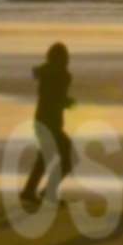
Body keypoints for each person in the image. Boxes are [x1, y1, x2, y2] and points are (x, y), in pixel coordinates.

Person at [18, 42, 78, 211]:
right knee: (65, 157)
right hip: (50, 123)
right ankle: (45, 193)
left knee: (45, 158)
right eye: (66, 57)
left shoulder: (45, 72)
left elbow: (49, 95)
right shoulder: (63, 75)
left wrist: (64, 101)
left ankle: (31, 191)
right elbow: (56, 98)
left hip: (41, 120)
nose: (68, 60)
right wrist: (68, 102)